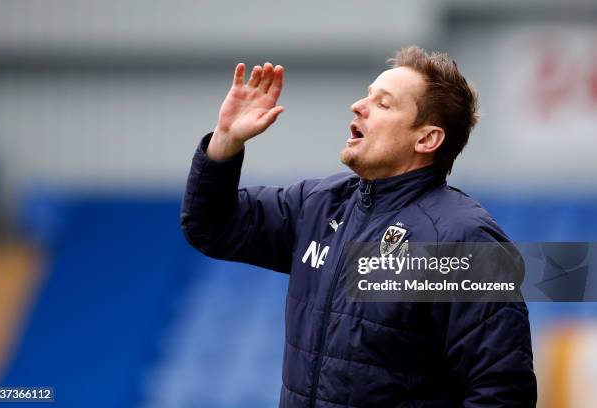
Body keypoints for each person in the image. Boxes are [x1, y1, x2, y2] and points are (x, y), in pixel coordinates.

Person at [181, 46, 537, 407]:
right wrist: (226, 140)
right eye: (367, 95)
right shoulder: (318, 204)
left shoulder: (464, 238)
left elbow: (502, 391)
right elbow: (211, 227)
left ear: (427, 139)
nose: (358, 106)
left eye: (383, 104)